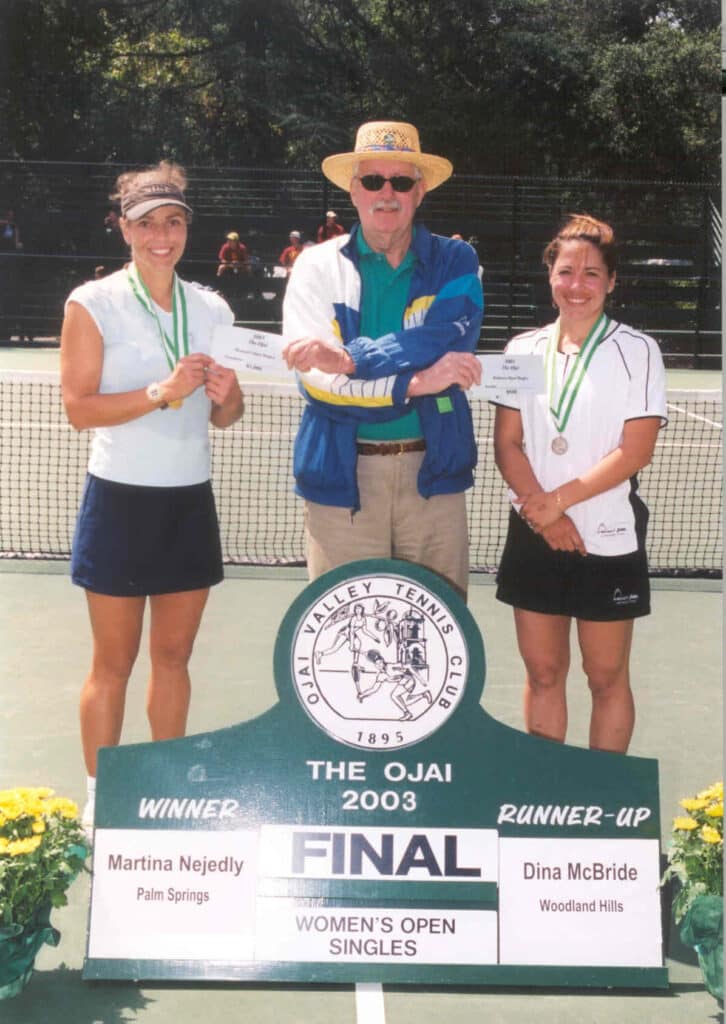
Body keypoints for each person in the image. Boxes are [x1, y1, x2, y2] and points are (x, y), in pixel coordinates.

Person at [60, 160, 244, 833]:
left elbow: (225, 417)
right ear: (125, 229)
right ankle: (100, 795)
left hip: (187, 502)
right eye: (146, 225)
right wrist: (162, 391)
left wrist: (228, 397)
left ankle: (166, 791)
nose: (161, 237)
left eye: (172, 223)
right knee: (113, 664)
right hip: (118, 502)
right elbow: (79, 408)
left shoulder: (212, 309)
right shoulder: (92, 303)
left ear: (186, 228)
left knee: (173, 659)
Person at [282, 120, 484, 599]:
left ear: (421, 191)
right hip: (341, 478)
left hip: (433, 474)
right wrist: (414, 385)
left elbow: (445, 338)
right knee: (345, 631)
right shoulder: (314, 265)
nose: (387, 193)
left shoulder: (456, 260)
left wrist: (350, 359)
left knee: (436, 631)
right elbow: (318, 384)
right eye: (373, 181)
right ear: (354, 191)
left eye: (402, 182)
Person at [492, 213, 667, 753]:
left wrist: (559, 504)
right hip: (535, 532)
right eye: (566, 271)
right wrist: (544, 517)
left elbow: (635, 450)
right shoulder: (521, 349)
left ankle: (603, 793)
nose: (577, 285)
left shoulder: (639, 350)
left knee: (605, 677)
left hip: (608, 535)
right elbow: (507, 443)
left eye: (592, 274)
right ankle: (549, 785)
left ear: (611, 281)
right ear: (550, 276)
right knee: (543, 672)